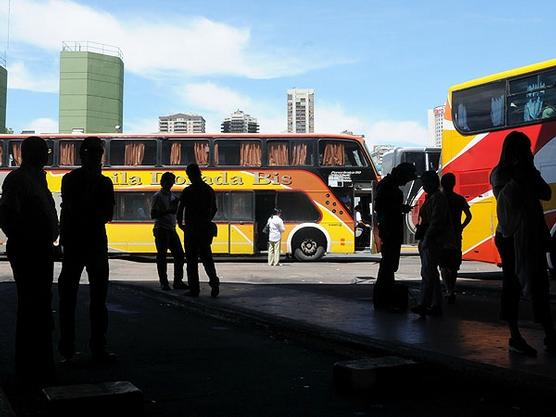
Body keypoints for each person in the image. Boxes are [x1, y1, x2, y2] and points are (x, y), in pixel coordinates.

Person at [490, 131, 556, 356]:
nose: (530, 152)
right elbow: (507, 202)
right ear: (517, 151)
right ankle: (516, 335)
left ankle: (548, 333)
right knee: (513, 284)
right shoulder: (501, 174)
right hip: (511, 236)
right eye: (526, 148)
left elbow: (546, 193)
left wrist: (529, 175)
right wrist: (523, 177)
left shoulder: (526, 172)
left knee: (538, 283)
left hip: (531, 233)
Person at [0, 136, 58, 385]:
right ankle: (29, 367)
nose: (47, 155)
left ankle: (41, 361)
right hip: (29, 251)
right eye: (43, 151)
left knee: (42, 308)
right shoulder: (18, 179)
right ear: (31, 154)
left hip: (42, 249)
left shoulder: (40, 178)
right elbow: (7, 216)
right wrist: (28, 239)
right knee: (31, 308)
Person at [58, 137, 116, 362]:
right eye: (96, 153)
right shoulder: (104, 183)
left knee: (69, 299)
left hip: (74, 242)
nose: (97, 157)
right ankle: (97, 348)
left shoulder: (70, 180)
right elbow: (106, 215)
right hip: (94, 242)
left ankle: (67, 350)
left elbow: (72, 208)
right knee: (97, 299)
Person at [412, 171, 456, 317]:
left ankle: (423, 303)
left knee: (427, 273)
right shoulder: (434, 197)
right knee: (433, 275)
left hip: (432, 241)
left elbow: (435, 222)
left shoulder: (437, 198)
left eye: (425, 183)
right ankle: (436, 304)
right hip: (432, 239)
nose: (423, 186)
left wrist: (427, 239)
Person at [373, 162, 416, 309]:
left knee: (390, 264)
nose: (405, 183)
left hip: (391, 229)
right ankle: (384, 297)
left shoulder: (388, 185)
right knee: (388, 263)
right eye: (406, 179)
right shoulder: (386, 186)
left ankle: (385, 296)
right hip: (389, 230)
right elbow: (380, 206)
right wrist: (399, 208)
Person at [177, 163, 220, 298]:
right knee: (207, 258)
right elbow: (215, 209)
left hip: (191, 229)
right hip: (205, 229)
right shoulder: (209, 190)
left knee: (191, 260)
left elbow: (180, 210)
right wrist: (207, 219)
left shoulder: (188, 191)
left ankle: (194, 289)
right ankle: (214, 283)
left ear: (190, 175)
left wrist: (181, 224)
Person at [439, 173, 472, 304]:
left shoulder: (438, 199)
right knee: (453, 265)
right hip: (456, 236)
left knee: (443, 265)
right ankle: (451, 289)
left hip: (441, 236)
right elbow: (469, 216)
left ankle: (448, 289)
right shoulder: (459, 199)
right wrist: (461, 227)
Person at [151, 172, 186, 291]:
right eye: (168, 181)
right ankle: (164, 282)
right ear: (162, 182)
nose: (170, 183)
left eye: (172, 181)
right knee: (162, 256)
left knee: (180, 255)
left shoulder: (173, 197)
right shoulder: (157, 196)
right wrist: (168, 210)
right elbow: (153, 214)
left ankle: (177, 281)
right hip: (161, 229)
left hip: (171, 229)